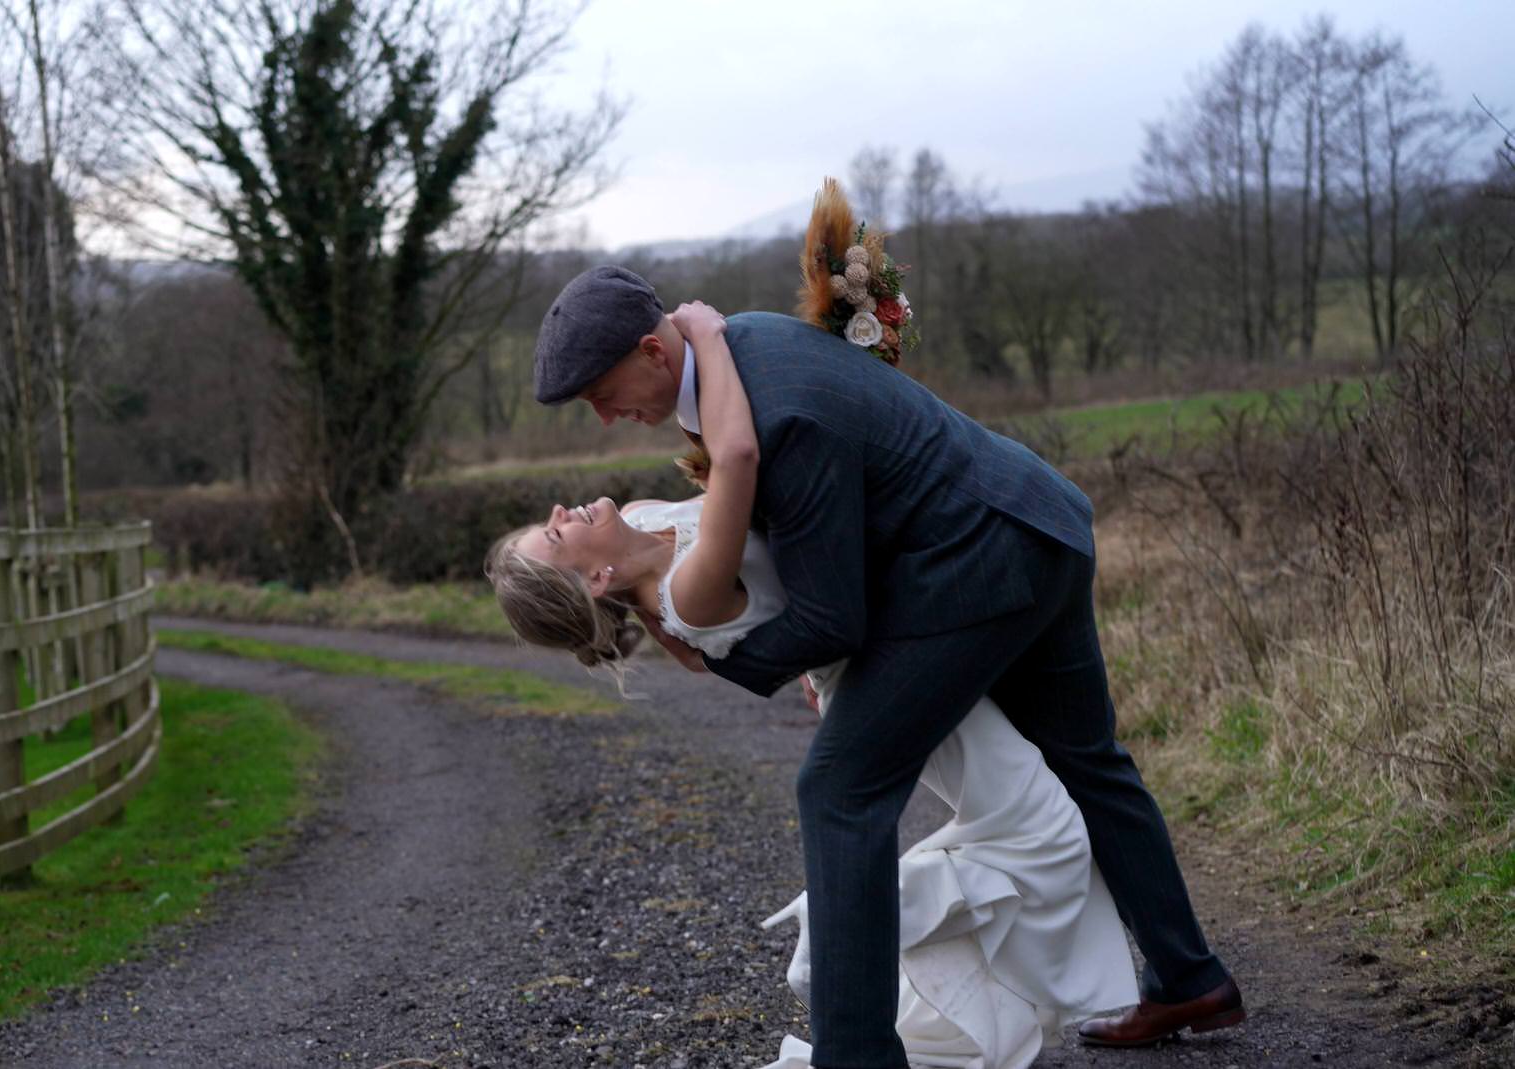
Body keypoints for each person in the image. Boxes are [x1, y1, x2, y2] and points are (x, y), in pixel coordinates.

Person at [512, 182, 1242, 1069]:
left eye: (601, 390)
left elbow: (832, 614)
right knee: (1089, 759)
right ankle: (1189, 977)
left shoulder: (775, 412)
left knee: (839, 791)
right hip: (1038, 522)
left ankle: (855, 1056)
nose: (603, 415)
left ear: (650, 348)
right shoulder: (738, 350)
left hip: (980, 561)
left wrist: (733, 661)